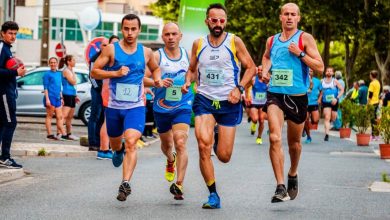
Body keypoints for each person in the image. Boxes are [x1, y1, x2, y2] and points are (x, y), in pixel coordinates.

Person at [182, 3, 256, 209]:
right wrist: (188, 81)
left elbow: (250, 67)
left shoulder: (234, 41)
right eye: (214, 20)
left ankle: (216, 135)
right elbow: (191, 69)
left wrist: (239, 89)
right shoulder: (198, 44)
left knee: (224, 156)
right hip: (205, 99)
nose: (218, 24)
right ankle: (213, 194)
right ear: (207, 21)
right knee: (202, 145)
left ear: (226, 22)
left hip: (229, 102)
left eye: (221, 21)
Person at [91, 14, 163, 202]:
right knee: (117, 143)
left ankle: (125, 183)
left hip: (136, 107)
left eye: (133, 29)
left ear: (139, 30)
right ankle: (117, 150)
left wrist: (156, 79)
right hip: (114, 107)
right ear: (122, 29)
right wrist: (115, 72)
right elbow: (94, 71)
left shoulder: (146, 52)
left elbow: (155, 69)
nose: (130, 32)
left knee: (131, 141)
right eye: (126, 29)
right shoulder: (110, 50)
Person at [261, 3, 324, 203]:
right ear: (280, 17)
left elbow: (320, 67)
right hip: (275, 94)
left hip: (297, 96)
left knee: (294, 144)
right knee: (274, 137)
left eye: (293, 14)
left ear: (298, 18)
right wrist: (264, 71)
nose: (289, 17)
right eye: (286, 14)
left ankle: (293, 173)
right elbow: (266, 58)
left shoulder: (305, 38)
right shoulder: (271, 40)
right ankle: (280, 186)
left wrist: (300, 54)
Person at [152, 22, 192, 200]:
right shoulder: (156, 56)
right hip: (161, 106)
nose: (171, 38)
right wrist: (158, 81)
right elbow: (145, 76)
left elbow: (195, 73)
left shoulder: (187, 55)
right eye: (167, 34)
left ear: (180, 36)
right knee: (168, 145)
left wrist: (188, 83)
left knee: (180, 142)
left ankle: (179, 184)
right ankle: (170, 159)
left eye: (174, 34)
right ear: (163, 37)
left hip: (182, 104)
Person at [0, 21, 26, 169]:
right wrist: (16, 72)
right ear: (3, 33)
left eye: (15, 33)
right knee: (11, 123)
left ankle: (3, 156)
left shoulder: (7, 49)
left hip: (7, 91)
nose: (13, 36)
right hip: (3, 92)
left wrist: (17, 70)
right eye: (10, 33)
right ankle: (5, 157)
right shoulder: (2, 47)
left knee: (3, 123)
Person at [92, 35, 120, 160]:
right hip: (109, 90)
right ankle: (103, 150)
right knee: (107, 121)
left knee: (111, 120)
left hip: (113, 90)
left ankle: (108, 148)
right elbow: (93, 73)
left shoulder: (112, 55)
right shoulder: (107, 56)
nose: (116, 46)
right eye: (114, 43)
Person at [88, 37, 109, 151]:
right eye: (104, 45)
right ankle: (92, 143)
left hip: (105, 91)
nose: (106, 47)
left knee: (102, 117)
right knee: (94, 116)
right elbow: (92, 77)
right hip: (97, 90)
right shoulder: (95, 58)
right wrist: (99, 89)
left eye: (107, 45)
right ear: (100, 46)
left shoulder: (108, 58)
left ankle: (101, 142)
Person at [43, 57, 66, 141]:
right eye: (51, 62)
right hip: (50, 97)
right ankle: (49, 134)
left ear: (57, 63)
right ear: (49, 64)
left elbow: (59, 87)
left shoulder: (59, 73)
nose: (53, 64)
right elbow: (45, 87)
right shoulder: (47, 74)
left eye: (54, 62)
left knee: (59, 117)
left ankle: (60, 134)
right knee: (49, 116)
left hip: (57, 98)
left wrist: (61, 98)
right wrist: (47, 99)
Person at [319, 67, 344, 141]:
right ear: (325, 72)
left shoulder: (335, 81)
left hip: (334, 102)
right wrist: (319, 99)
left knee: (333, 118)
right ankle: (327, 134)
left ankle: (329, 123)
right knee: (327, 117)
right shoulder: (322, 81)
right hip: (326, 102)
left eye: (330, 71)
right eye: (327, 71)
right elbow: (321, 91)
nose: (329, 72)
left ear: (333, 73)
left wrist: (337, 98)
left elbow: (342, 90)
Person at [245, 65, 268, 144]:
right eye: (259, 70)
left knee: (261, 120)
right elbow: (246, 87)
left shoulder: (268, 80)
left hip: (263, 103)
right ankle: (253, 124)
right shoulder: (254, 79)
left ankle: (259, 137)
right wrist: (247, 97)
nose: (260, 71)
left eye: (261, 70)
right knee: (255, 119)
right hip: (254, 103)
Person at [59, 55, 79, 141]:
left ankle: (68, 134)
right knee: (64, 116)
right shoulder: (66, 71)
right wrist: (74, 76)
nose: (75, 62)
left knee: (70, 117)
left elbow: (74, 84)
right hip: (67, 94)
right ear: (68, 62)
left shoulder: (71, 70)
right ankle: (61, 134)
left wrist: (76, 95)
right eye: (73, 60)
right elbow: (73, 82)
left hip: (72, 94)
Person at [303, 68, 321, 144]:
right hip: (305, 103)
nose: (310, 72)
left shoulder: (317, 81)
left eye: (311, 71)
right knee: (306, 119)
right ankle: (308, 136)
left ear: (313, 73)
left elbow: (321, 91)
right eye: (309, 71)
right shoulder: (302, 80)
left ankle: (304, 127)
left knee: (315, 120)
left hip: (314, 103)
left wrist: (319, 99)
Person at [368, 70, 381, 141]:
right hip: (377, 102)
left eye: (370, 75)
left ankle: (373, 136)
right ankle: (377, 135)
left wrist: (368, 103)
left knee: (372, 119)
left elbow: (370, 94)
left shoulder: (372, 83)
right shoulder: (378, 83)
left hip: (372, 103)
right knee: (375, 119)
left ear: (371, 75)